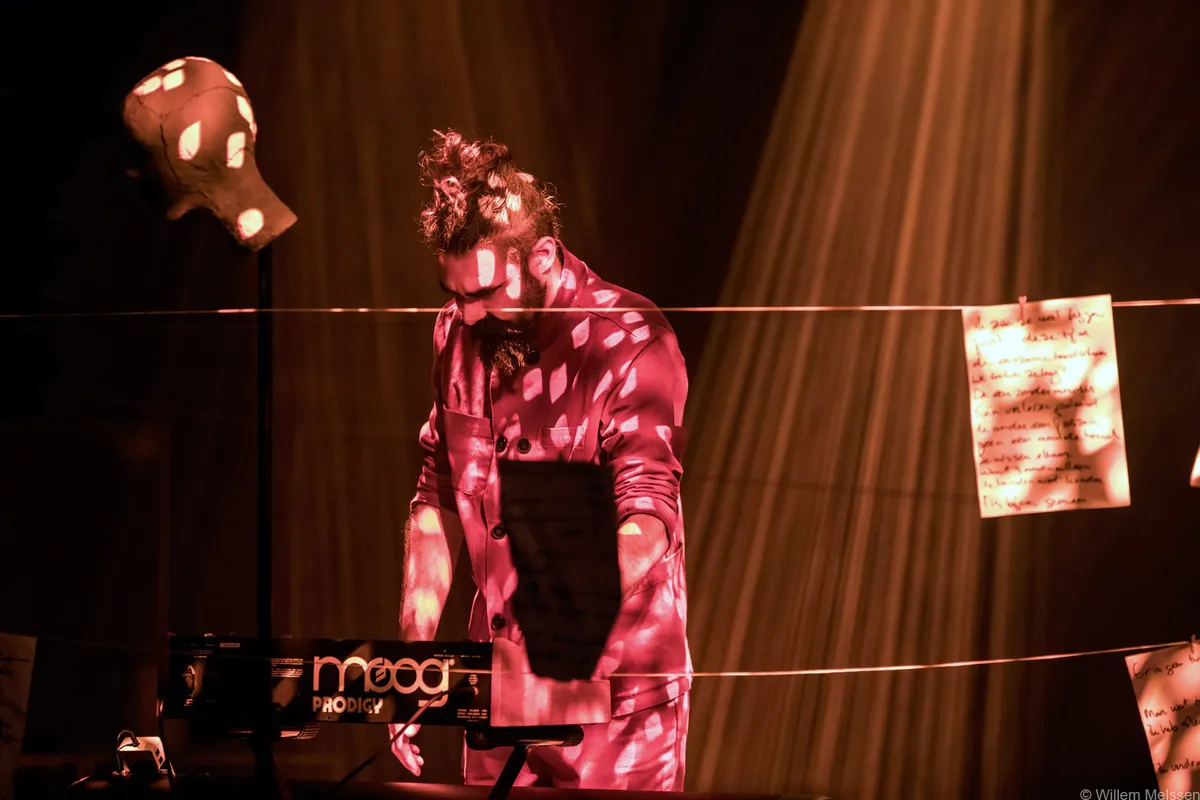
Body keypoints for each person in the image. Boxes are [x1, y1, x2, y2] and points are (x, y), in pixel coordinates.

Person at [389, 130, 691, 790]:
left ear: (543, 257)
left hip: (616, 709)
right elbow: (436, 495)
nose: (468, 316)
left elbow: (648, 515)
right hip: (496, 695)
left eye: (486, 293)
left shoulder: (630, 340)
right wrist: (415, 656)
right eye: (454, 294)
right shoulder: (455, 331)